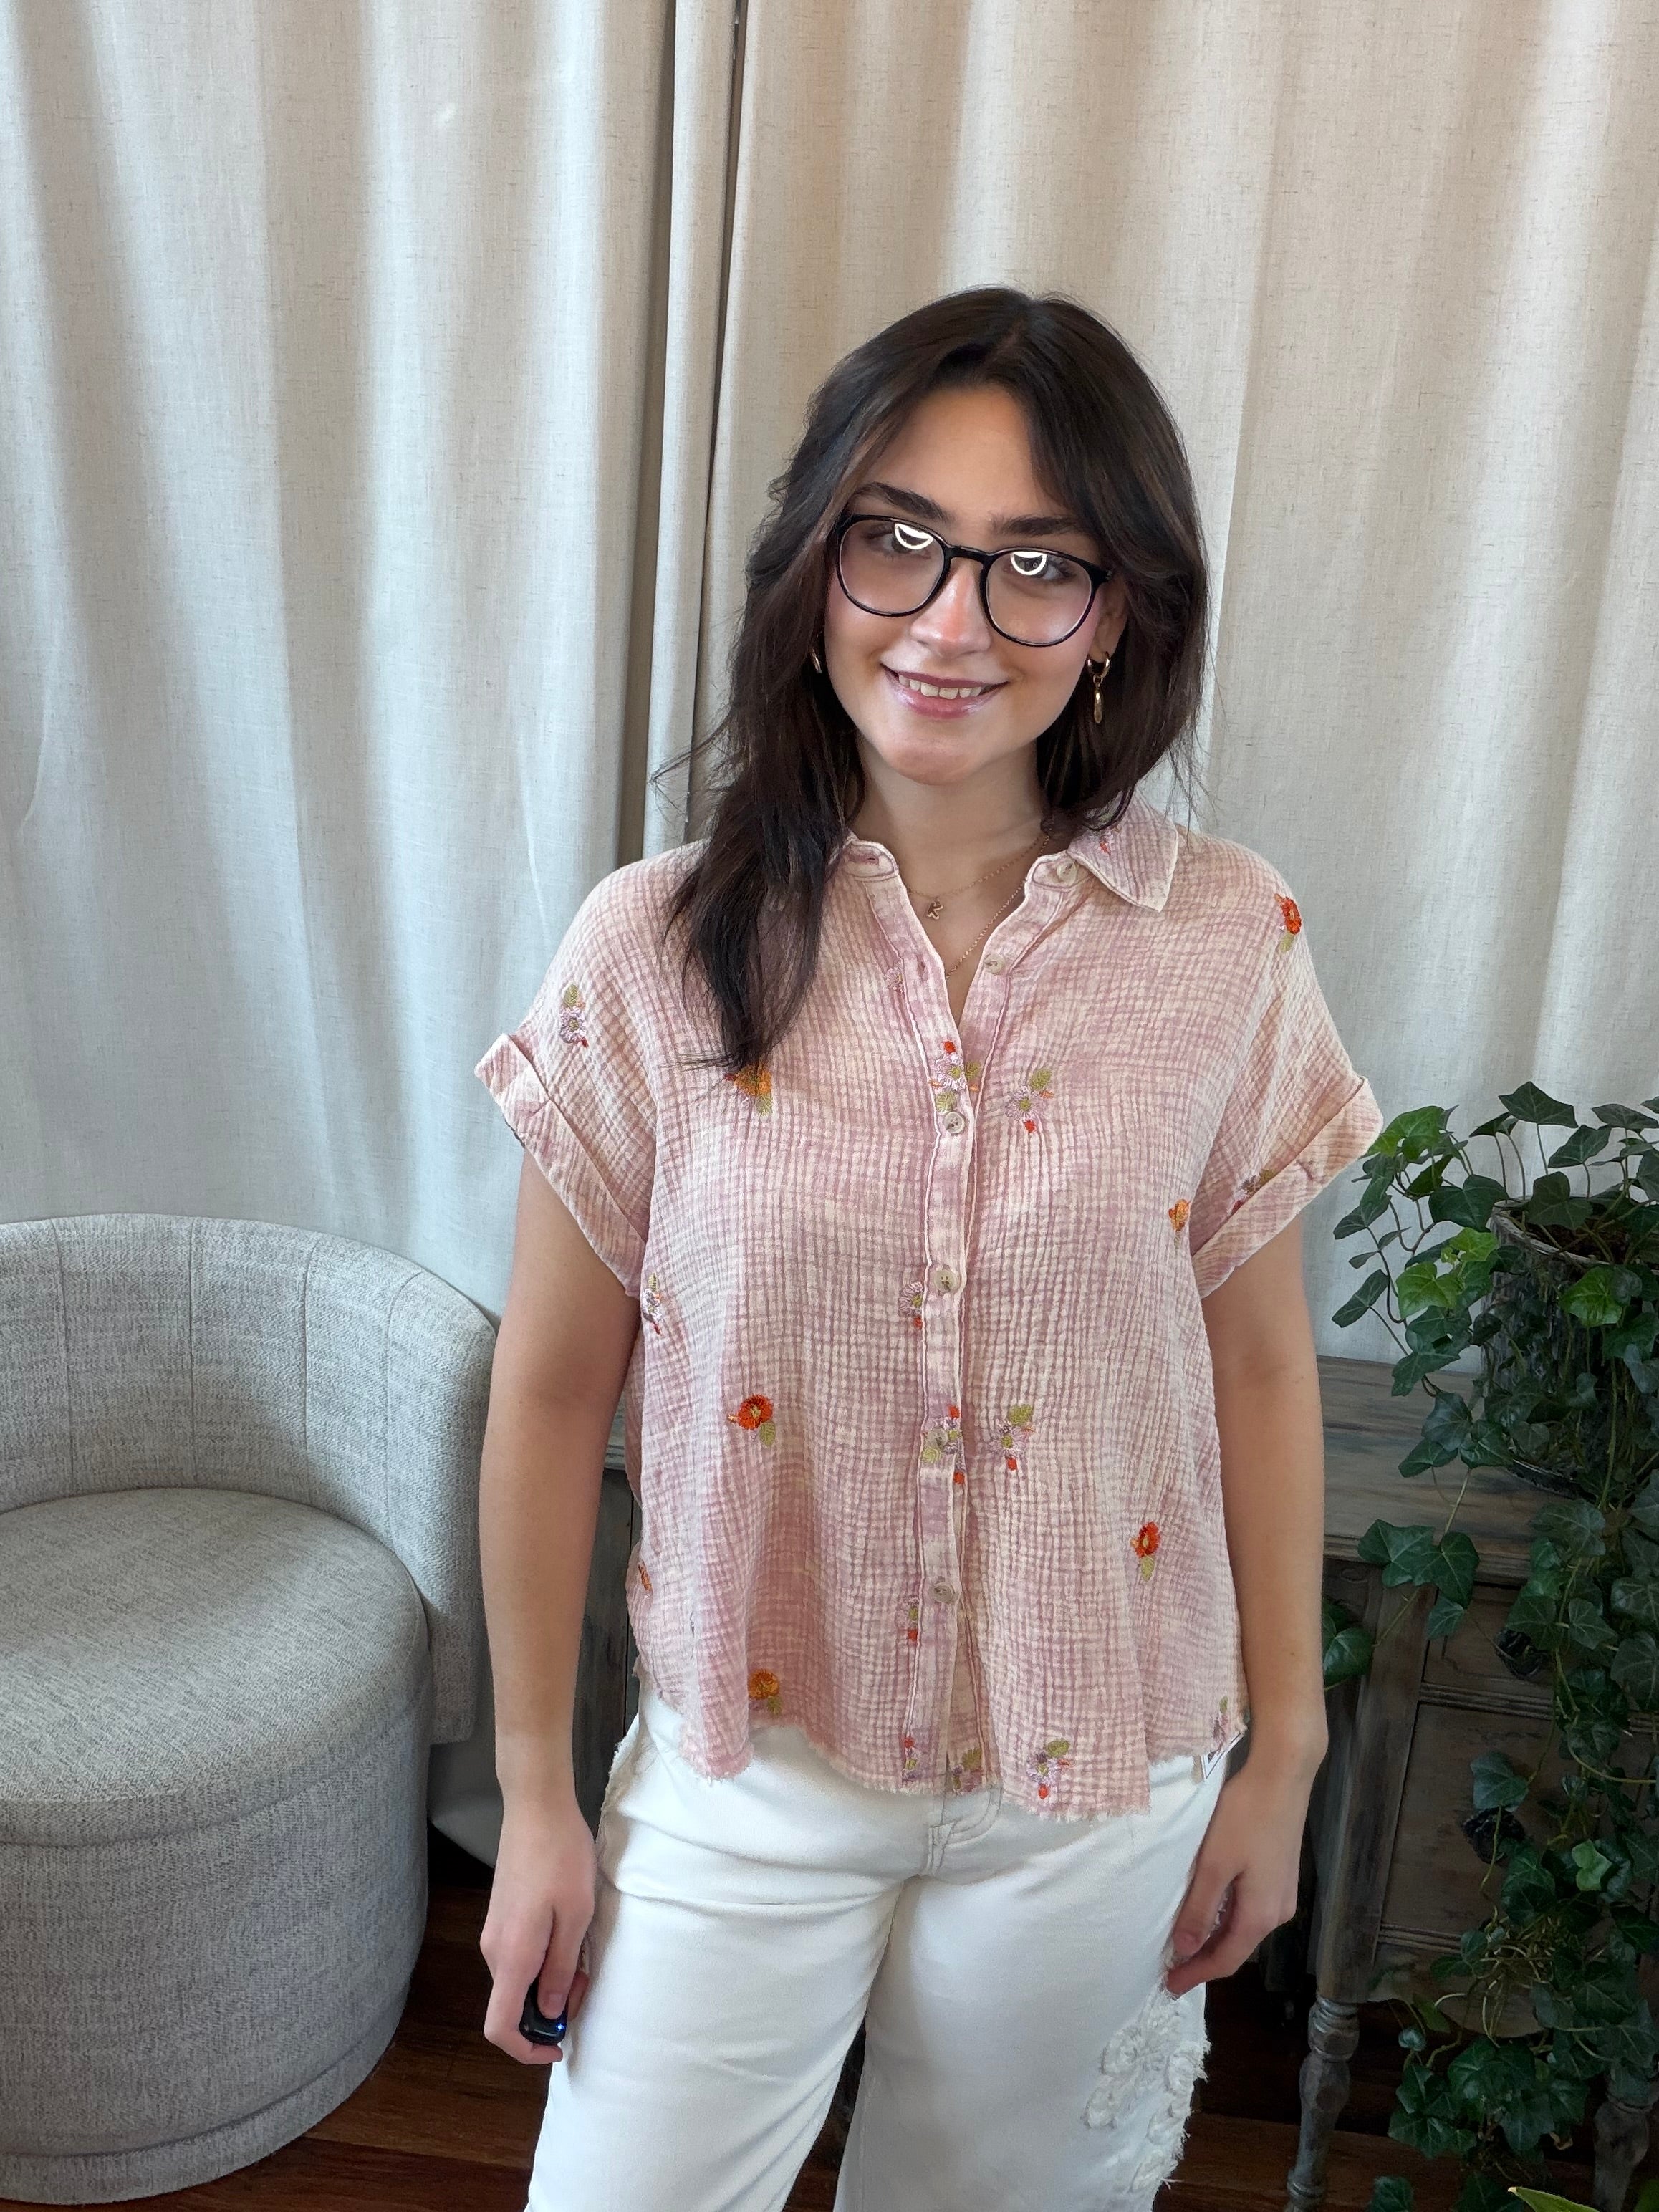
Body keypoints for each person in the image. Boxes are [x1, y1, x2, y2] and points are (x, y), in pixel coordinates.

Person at [471, 286, 1384, 2212]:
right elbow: (551, 1392)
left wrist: (1282, 1757)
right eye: (899, 539)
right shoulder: (647, 948)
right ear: (813, 563)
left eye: (1034, 564)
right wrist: (538, 1796)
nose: (951, 621)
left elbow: (1258, 1368)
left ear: (1119, 609)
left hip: (1101, 1782)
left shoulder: (1230, 941)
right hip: (747, 1764)